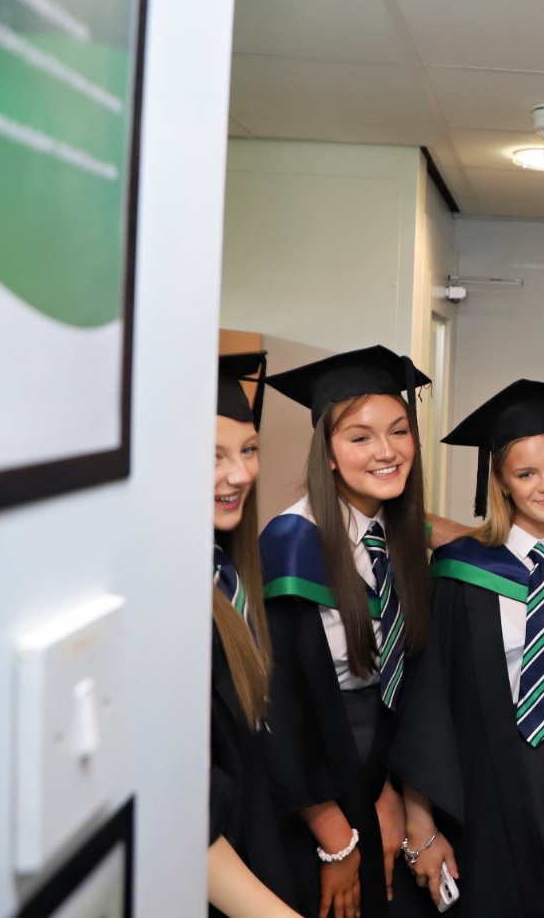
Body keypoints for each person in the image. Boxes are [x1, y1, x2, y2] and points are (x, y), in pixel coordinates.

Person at [392, 380, 544, 917]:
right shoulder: (460, 571)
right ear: (501, 482)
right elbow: (427, 700)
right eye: (526, 473)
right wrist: (421, 822)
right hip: (478, 773)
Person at [259, 346, 434, 918]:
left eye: (399, 431)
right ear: (328, 455)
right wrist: (336, 836)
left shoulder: (399, 534)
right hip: (317, 785)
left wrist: (396, 791)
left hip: (390, 768)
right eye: (360, 437)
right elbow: (276, 709)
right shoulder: (292, 545)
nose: (386, 451)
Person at [209, 352, 300, 918]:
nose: (241, 474)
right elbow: (185, 805)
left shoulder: (230, 574)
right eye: (213, 455)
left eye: (248, 449)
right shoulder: (163, 605)